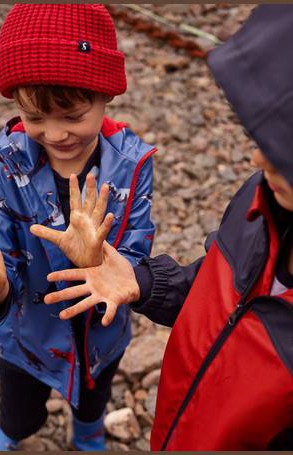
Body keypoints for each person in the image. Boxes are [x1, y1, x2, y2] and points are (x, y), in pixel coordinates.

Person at [39, 5, 293, 450]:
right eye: (262, 139)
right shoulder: (264, 197)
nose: (258, 160)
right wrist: (142, 281)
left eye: (284, 148)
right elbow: (221, 295)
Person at [0, 4, 156, 451]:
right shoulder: (0, 164)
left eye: (73, 116)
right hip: (27, 329)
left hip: (100, 329)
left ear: (105, 95)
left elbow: (137, 249)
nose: (56, 134)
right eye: (35, 118)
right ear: (17, 103)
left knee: (93, 393)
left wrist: (101, 262)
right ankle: (16, 430)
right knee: (19, 401)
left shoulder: (133, 165)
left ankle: (89, 430)